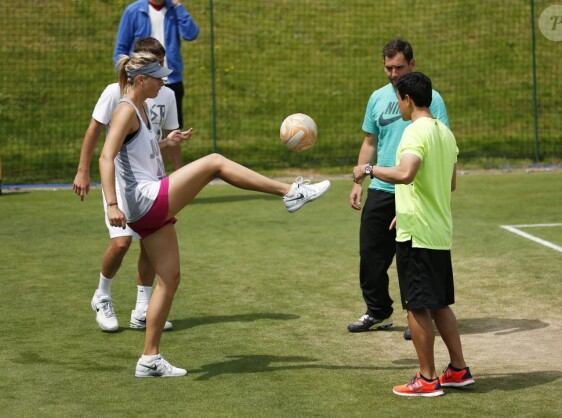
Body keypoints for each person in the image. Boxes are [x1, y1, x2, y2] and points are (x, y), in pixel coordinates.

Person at [100, 52, 331, 377]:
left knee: (170, 279)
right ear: (140, 80)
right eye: (158, 78)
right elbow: (106, 157)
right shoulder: (125, 109)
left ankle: (149, 359)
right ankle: (290, 193)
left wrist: (165, 143)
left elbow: (135, 149)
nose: (164, 82)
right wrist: (111, 203)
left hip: (148, 200)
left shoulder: (142, 108)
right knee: (215, 162)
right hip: (144, 198)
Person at [352, 71, 474, 397]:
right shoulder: (445, 133)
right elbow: (449, 184)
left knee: (417, 307)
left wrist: (368, 170)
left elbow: (406, 173)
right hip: (436, 229)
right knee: (439, 304)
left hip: (417, 234)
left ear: (407, 100)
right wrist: (404, 211)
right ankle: (459, 370)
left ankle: (427, 378)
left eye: (400, 101)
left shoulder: (413, 131)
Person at [73, 37, 181, 332]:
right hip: (123, 183)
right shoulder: (117, 94)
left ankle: (142, 310)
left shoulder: (164, 95)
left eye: (161, 64)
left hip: (151, 180)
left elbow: (145, 143)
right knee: (121, 243)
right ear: (141, 69)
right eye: (155, 66)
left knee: (150, 243)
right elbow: (99, 136)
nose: (161, 73)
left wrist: (170, 151)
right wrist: (83, 171)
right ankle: (102, 295)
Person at [347, 38, 449, 340]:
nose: (393, 74)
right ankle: (377, 311)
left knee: (415, 259)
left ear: (412, 65)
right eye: (388, 67)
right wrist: (358, 182)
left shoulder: (433, 99)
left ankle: (419, 315)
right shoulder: (377, 98)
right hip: (381, 188)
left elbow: (439, 141)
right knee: (371, 256)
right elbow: (370, 141)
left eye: (399, 67)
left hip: (415, 191)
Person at [114, 0, 200, 170]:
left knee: (171, 131)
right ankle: (139, 173)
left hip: (172, 79)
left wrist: (178, 6)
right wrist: (129, 76)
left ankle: (174, 177)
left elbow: (191, 33)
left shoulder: (174, 9)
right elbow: (120, 49)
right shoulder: (134, 10)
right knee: (141, 129)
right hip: (142, 81)